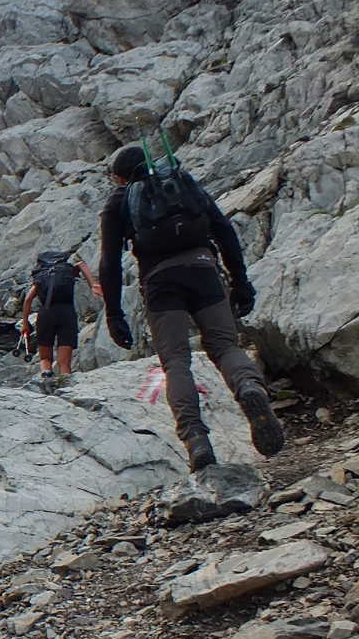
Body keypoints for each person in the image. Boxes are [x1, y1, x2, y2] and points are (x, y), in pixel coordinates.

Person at [99, 145, 284, 472]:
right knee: (225, 346)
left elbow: (110, 263)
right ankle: (250, 388)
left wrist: (114, 313)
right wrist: (240, 281)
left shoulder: (119, 201)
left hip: (160, 283)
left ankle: (196, 440)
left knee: (175, 362)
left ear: (119, 177)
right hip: (203, 271)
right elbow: (222, 228)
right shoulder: (180, 182)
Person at [20, 250, 102, 378]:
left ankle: (46, 378)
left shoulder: (41, 276)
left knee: (45, 359)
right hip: (67, 313)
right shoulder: (66, 271)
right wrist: (93, 284)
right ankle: (65, 383)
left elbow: (28, 300)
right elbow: (81, 264)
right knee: (64, 362)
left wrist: (25, 323)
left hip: (46, 314)